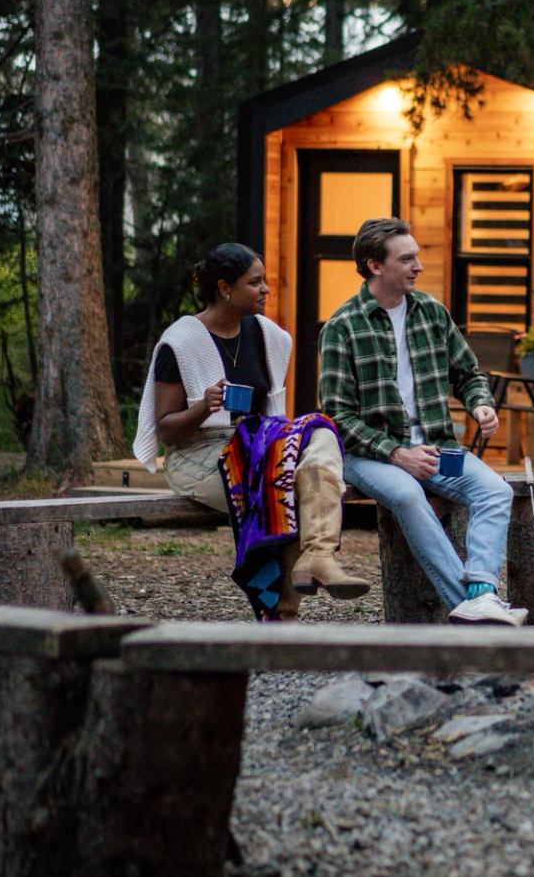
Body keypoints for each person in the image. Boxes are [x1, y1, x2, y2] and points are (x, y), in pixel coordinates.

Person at [134, 242, 367, 620]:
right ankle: (284, 612)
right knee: (283, 486)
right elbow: (167, 432)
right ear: (225, 288)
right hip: (200, 456)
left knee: (321, 432)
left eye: (265, 281)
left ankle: (320, 555)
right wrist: (202, 406)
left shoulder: (270, 337)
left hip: (260, 444)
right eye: (254, 282)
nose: (265, 290)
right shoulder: (181, 343)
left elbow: (273, 415)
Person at [318, 217, 523, 626]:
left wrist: (479, 403)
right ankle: (466, 604)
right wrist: (396, 453)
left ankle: (481, 590)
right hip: (370, 453)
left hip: (435, 444)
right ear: (376, 266)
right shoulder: (342, 327)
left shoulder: (431, 312)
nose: (419, 266)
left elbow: (468, 374)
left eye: (417, 257)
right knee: (409, 495)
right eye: (407, 258)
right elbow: (336, 416)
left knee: (495, 492)